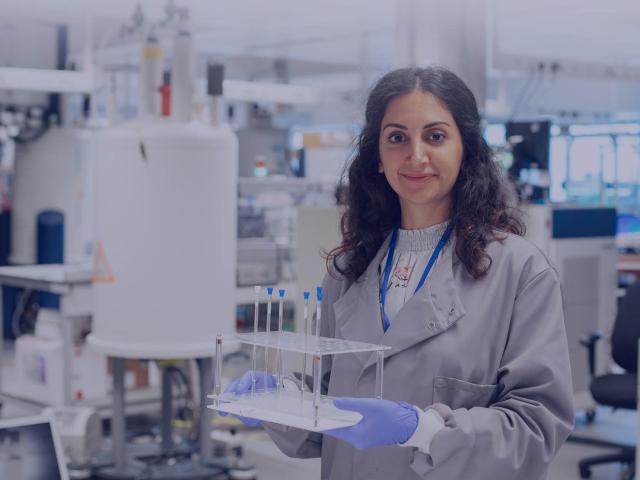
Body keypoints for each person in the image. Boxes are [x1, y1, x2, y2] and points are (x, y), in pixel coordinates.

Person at [225, 66, 574, 479]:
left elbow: (537, 426)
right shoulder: (348, 271)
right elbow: (333, 407)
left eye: (436, 136)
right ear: (376, 157)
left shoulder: (520, 272)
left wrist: (423, 430)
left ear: (467, 150)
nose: (416, 155)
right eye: (397, 138)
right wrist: (280, 401)